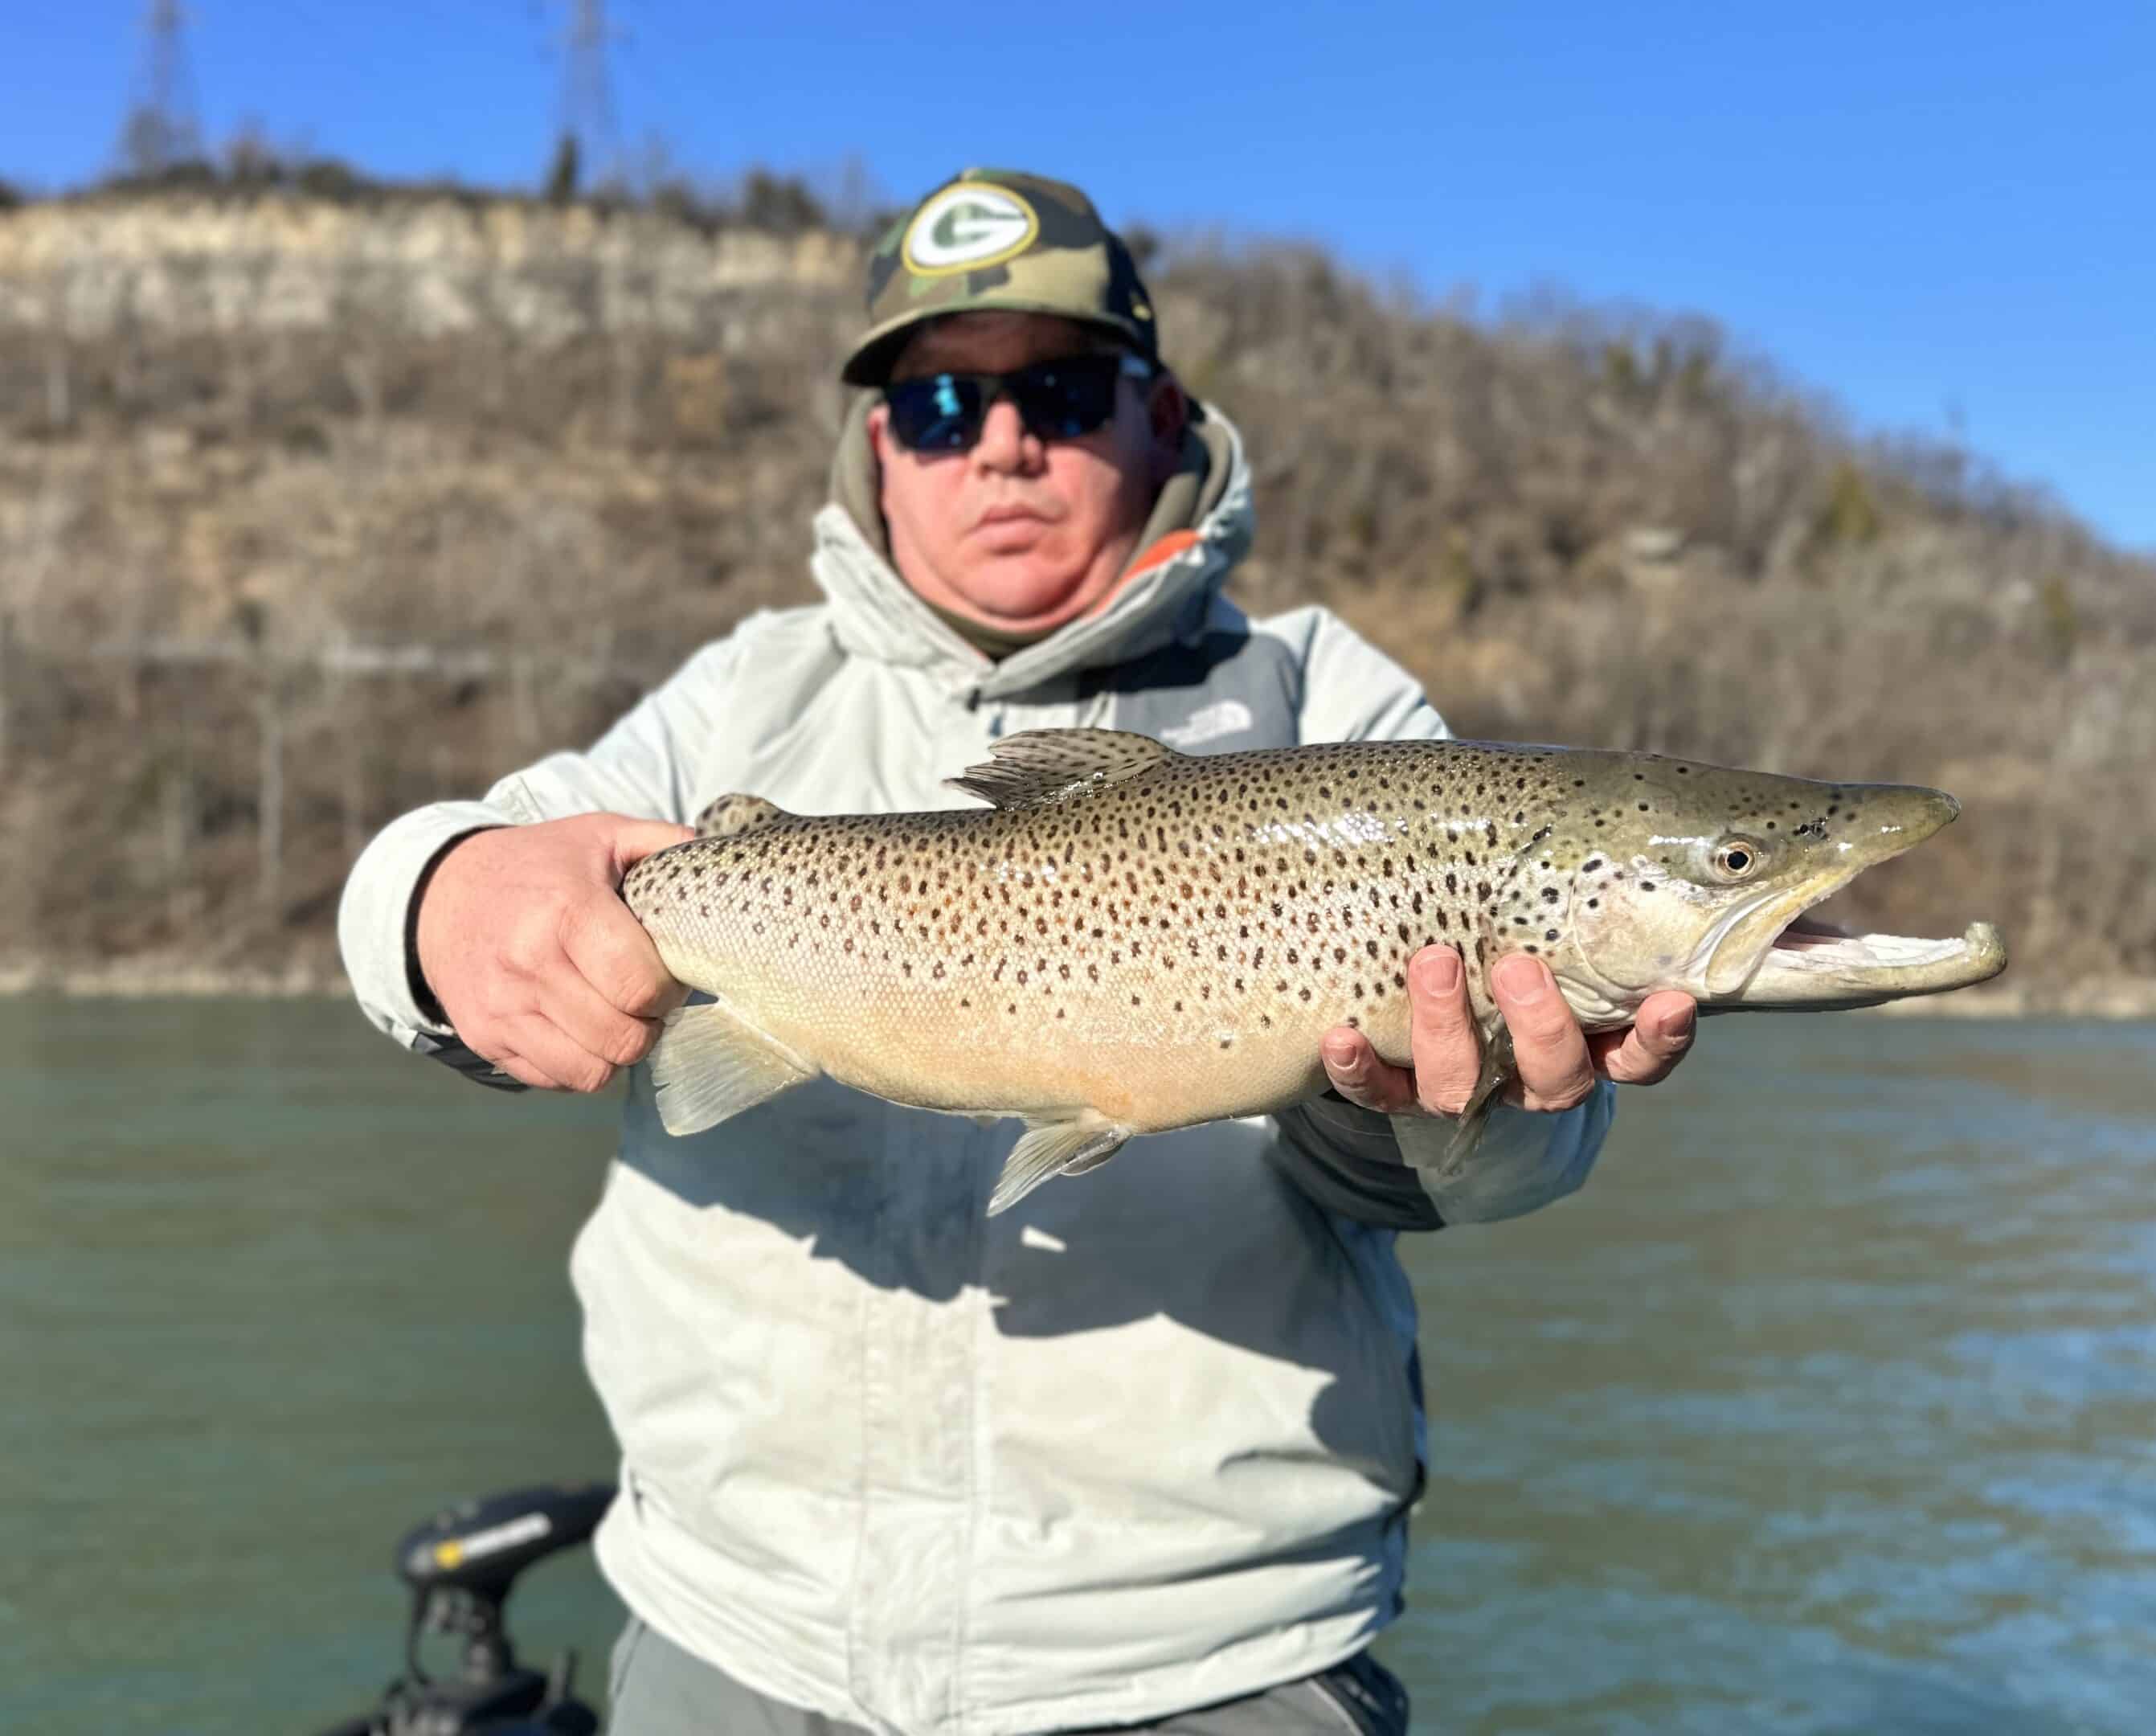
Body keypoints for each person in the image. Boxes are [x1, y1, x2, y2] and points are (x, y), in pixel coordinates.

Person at [338, 169, 1699, 1736]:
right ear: (876, 449)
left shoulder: (1334, 714)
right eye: (936, 404)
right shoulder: (734, 700)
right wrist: (449, 898)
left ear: (1160, 415)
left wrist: (1454, 1115)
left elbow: (1503, 1167)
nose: (1001, 442)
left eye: (1059, 389)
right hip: (735, 1629)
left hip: (1211, 1658)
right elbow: (423, 898)